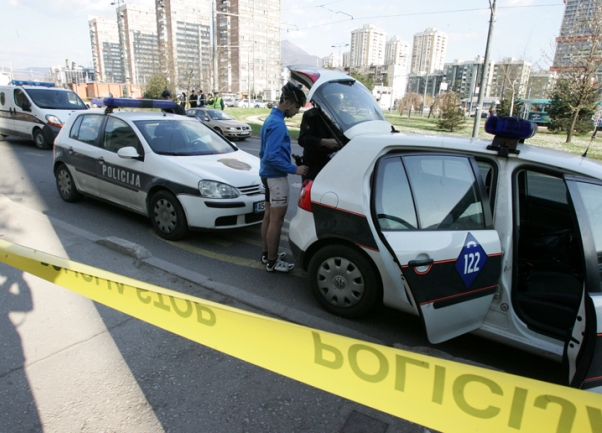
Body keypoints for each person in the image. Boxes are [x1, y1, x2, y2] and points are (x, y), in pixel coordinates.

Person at [259, 82, 308, 273]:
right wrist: (293, 169)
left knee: (269, 217)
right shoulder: (278, 124)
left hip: (267, 175)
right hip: (276, 178)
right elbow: (271, 156)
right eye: (296, 107)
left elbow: (265, 154)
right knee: (276, 221)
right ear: (287, 102)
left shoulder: (271, 119)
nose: (297, 111)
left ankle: (267, 254)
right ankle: (272, 262)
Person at [298, 94, 345, 181]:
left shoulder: (344, 117)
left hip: (336, 164)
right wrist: (323, 142)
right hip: (314, 164)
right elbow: (303, 140)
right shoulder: (311, 116)